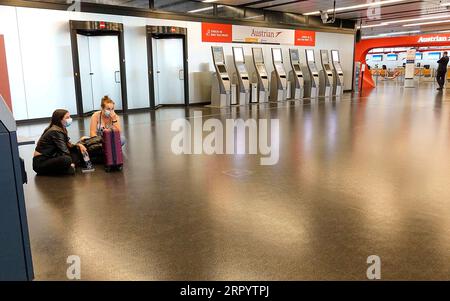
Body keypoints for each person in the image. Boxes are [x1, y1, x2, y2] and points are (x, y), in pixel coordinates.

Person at [33, 109, 94, 175]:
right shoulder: (55, 131)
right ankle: (69, 167)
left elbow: (68, 145)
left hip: (51, 157)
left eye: (70, 117)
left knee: (77, 150)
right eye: (67, 117)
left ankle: (69, 167)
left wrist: (79, 145)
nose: (70, 119)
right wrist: (72, 161)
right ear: (60, 120)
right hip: (41, 162)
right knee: (67, 159)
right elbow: (64, 151)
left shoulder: (61, 128)